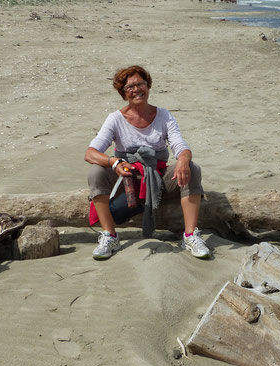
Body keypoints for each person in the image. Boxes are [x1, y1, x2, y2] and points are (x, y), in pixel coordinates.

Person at [84, 65, 210, 260]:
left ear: (148, 86)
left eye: (140, 84)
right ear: (123, 93)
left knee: (192, 168)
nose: (136, 90)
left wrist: (183, 159)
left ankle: (190, 235)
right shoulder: (115, 119)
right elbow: (91, 152)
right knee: (95, 172)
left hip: (157, 178)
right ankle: (110, 235)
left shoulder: (164, 115)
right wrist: (114, 162)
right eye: (130, 87)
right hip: (127, 180)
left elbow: (179, 144)